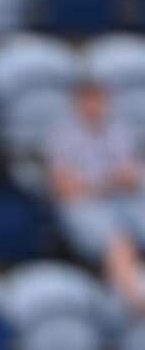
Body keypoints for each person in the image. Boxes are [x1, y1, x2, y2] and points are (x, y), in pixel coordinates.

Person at [46, 78, 145, 313]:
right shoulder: (61, 135)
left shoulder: (121, 130)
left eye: (99, 100)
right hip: (84, 205)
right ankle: (136, 300)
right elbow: (64, 186)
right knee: (118, 240)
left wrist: (109, 181)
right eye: (89, 101)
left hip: (124, 200)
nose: (95, 106)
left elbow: (133, 175)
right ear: (78, 103)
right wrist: (107, 182)